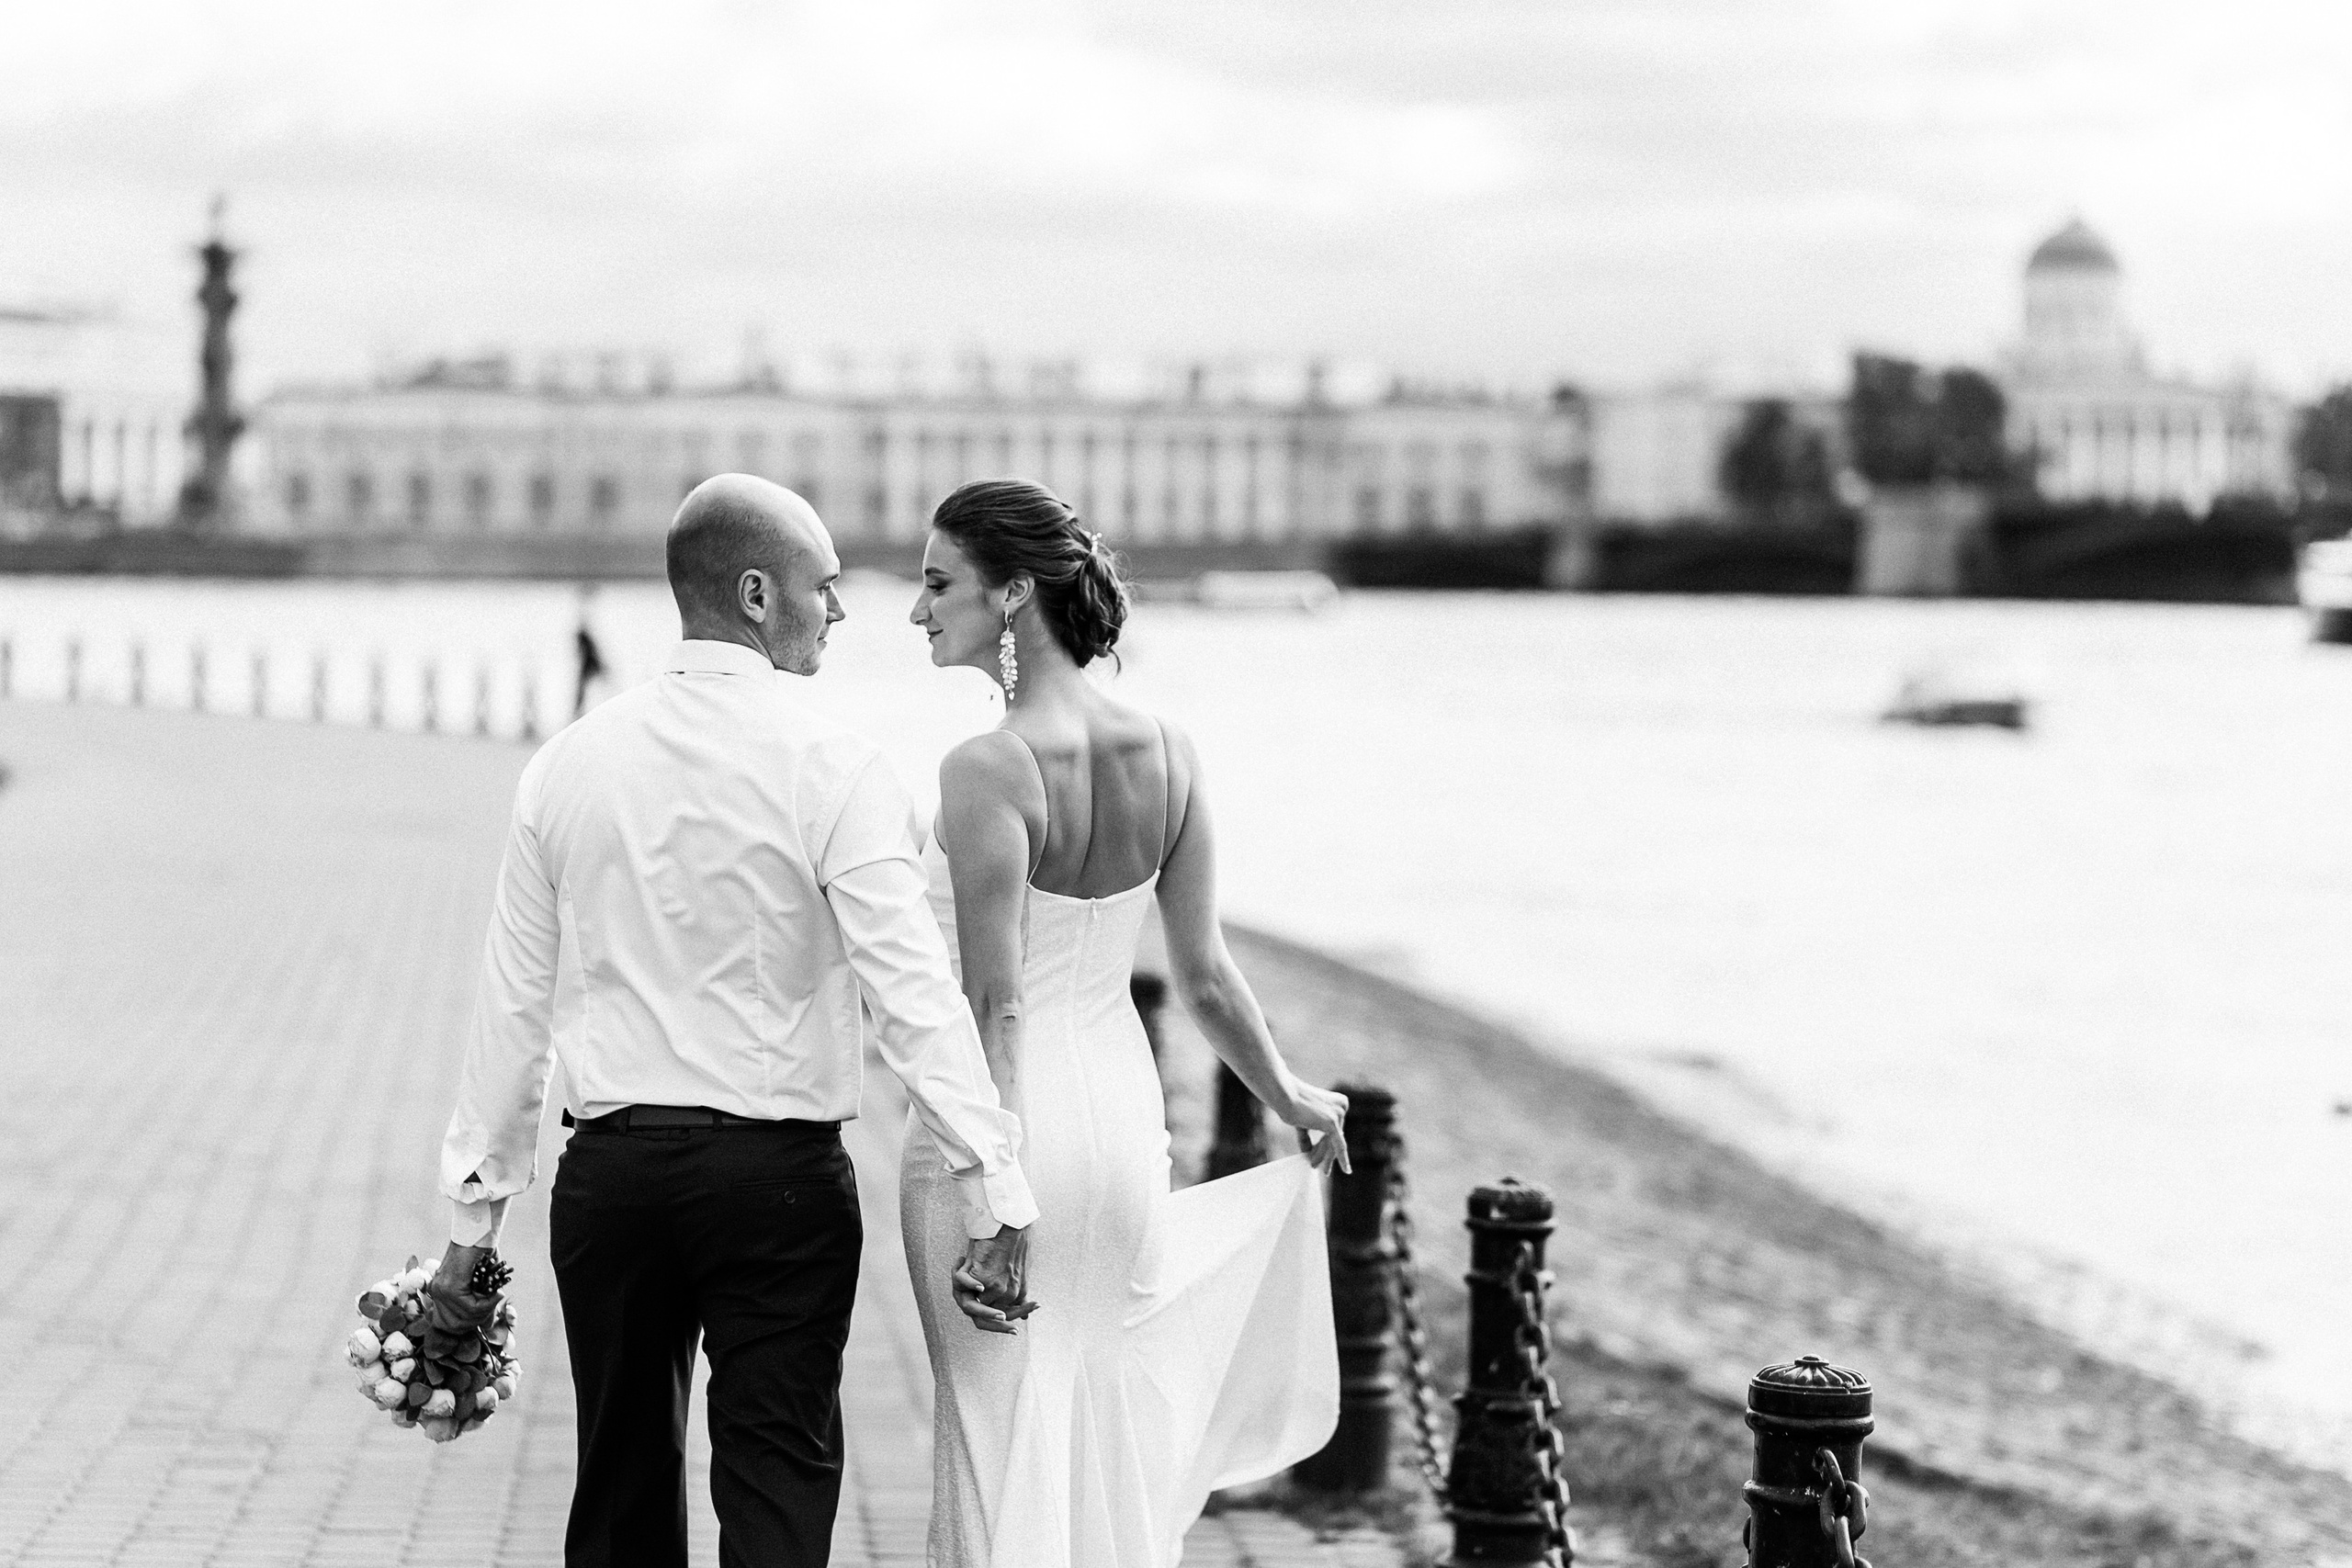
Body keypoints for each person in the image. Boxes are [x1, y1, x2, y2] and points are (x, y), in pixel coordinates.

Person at [432, 475, 1038, 1568]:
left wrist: (471, 1247)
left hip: (614, 1183)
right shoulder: (838, 769)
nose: (840, 610)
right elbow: (913, 997)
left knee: (618, 1489)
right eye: (824, 586)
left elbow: (511, 1012)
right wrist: (996, 1188)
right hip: (777, 1187)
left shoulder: (565, 766)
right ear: (757, 595)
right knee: (777, 1483)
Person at [903, 478, 1349, 1566]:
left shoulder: (986, 768)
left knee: (993, 1440)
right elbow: (1205, 977)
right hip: (1120, 1133)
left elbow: (1000, 1004)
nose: (917, 610)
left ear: (1014, 592)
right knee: (1100, 1429)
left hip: (1008, 1134)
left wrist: (997, 1197)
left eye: (938, 583)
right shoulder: (1171, 751)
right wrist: (1287, 1094)